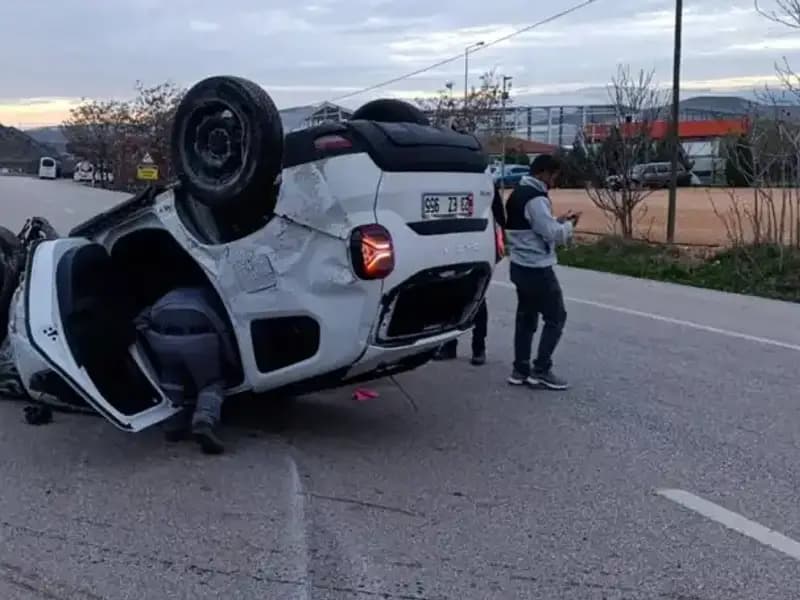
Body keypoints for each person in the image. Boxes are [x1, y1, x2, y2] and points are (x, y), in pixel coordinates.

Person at [504, 154, 580, 390]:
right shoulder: (536, 198)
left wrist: (555, 220)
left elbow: (533, 225)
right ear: (543, 173)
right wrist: (568, 226)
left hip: (518, 264)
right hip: (537, 267)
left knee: (526, 318)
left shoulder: (517, 193)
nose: (555, 181)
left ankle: (520, 370)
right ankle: (541, 370)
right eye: (554, 175)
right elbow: (552, 234)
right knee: (556, 317)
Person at [135, 286, 239, 454]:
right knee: (212, 383)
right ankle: (204, 421)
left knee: (171, 372)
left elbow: (141, 320)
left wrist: (150, 338)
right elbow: (222, 329)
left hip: (161, 337)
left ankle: (172, 421)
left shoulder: (168, 295)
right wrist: (231, 359)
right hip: (198, 338)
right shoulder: (214, 296)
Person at [433, 178, 506, 365]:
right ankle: (450, 345)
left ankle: (477, 347)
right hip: (451, 247)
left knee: (476, 298)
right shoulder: (443, 186)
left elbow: (499, 217)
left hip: (473, 247)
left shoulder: (485, 184)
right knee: (450, 297)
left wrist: (496, 245)